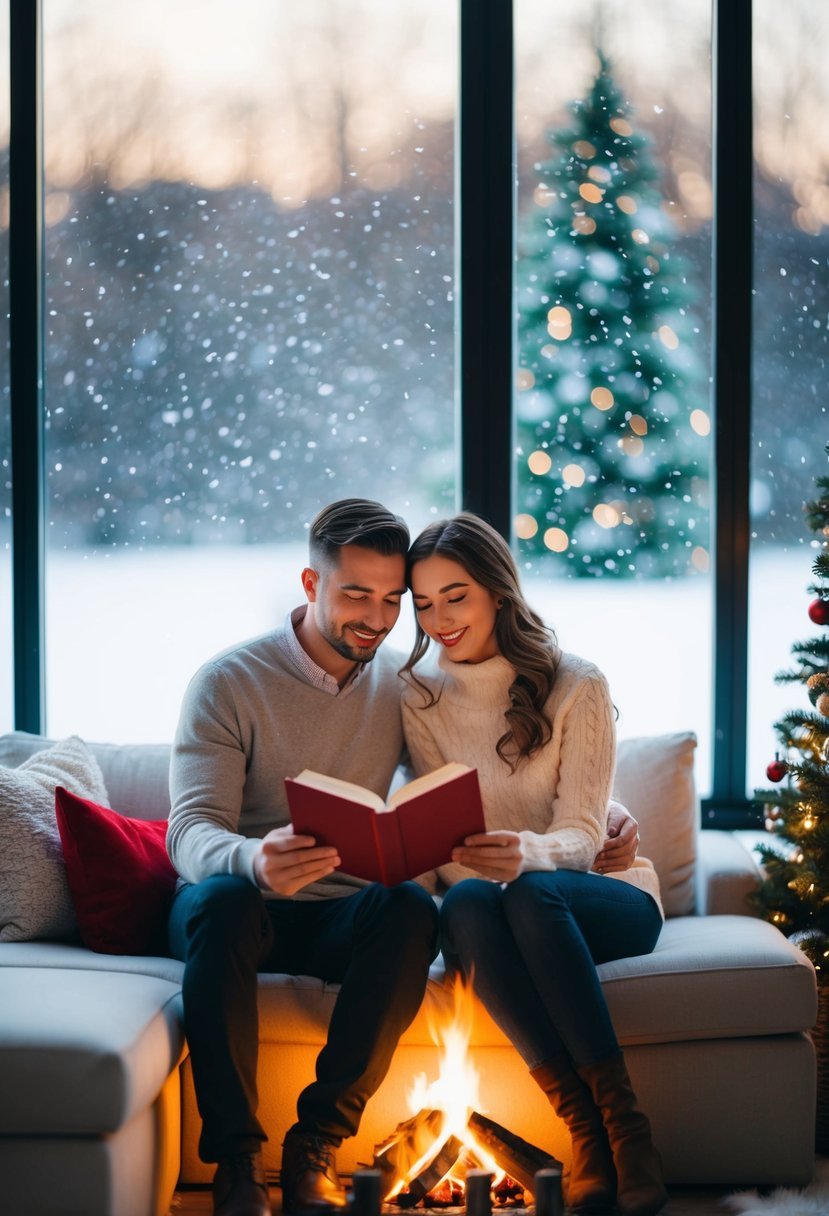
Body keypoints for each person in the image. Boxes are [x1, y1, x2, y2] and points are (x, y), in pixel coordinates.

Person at [166, 499, 441, 1216]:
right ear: (311, 584)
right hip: (236, 908)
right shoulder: (229, 681)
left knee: (409, 907)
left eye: (392, 600)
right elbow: (189, 830)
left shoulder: (404, 685)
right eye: (356, 595)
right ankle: (235, 1163)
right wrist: (253, 859)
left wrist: (599, 811)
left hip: (336, 914)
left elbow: (483, 772)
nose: (376, 619)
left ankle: (315, 1143)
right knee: (223, 900)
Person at [400, 513, 667, 1216]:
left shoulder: (577, 683)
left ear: (497, 590)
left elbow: (581, 830)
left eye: (455, 597)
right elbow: (441, 824)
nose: (439, 621)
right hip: (491, 906)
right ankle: (585, 1127)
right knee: (466, 903)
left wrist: (526, 853)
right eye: (422, 604)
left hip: (603, 895)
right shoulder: (420, 696)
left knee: (527, 892)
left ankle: (626, 1129)